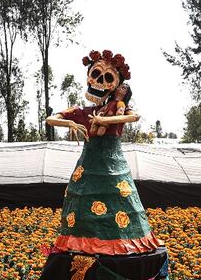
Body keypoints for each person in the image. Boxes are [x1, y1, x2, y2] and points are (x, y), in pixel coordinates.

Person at [44, 50, 163, 256]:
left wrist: (104, 120)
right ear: (88, 77)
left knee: (120, 201)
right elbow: (50, 119)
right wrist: (70, 123)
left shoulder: (118, 107)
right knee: (81, 205)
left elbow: (134, 116)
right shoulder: (82, 111)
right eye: (96, 74)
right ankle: (82, 242)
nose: (99, 82)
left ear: (115, 87)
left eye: (108, 78)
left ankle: (121, 242)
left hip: (112, 166)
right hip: (87, 168)